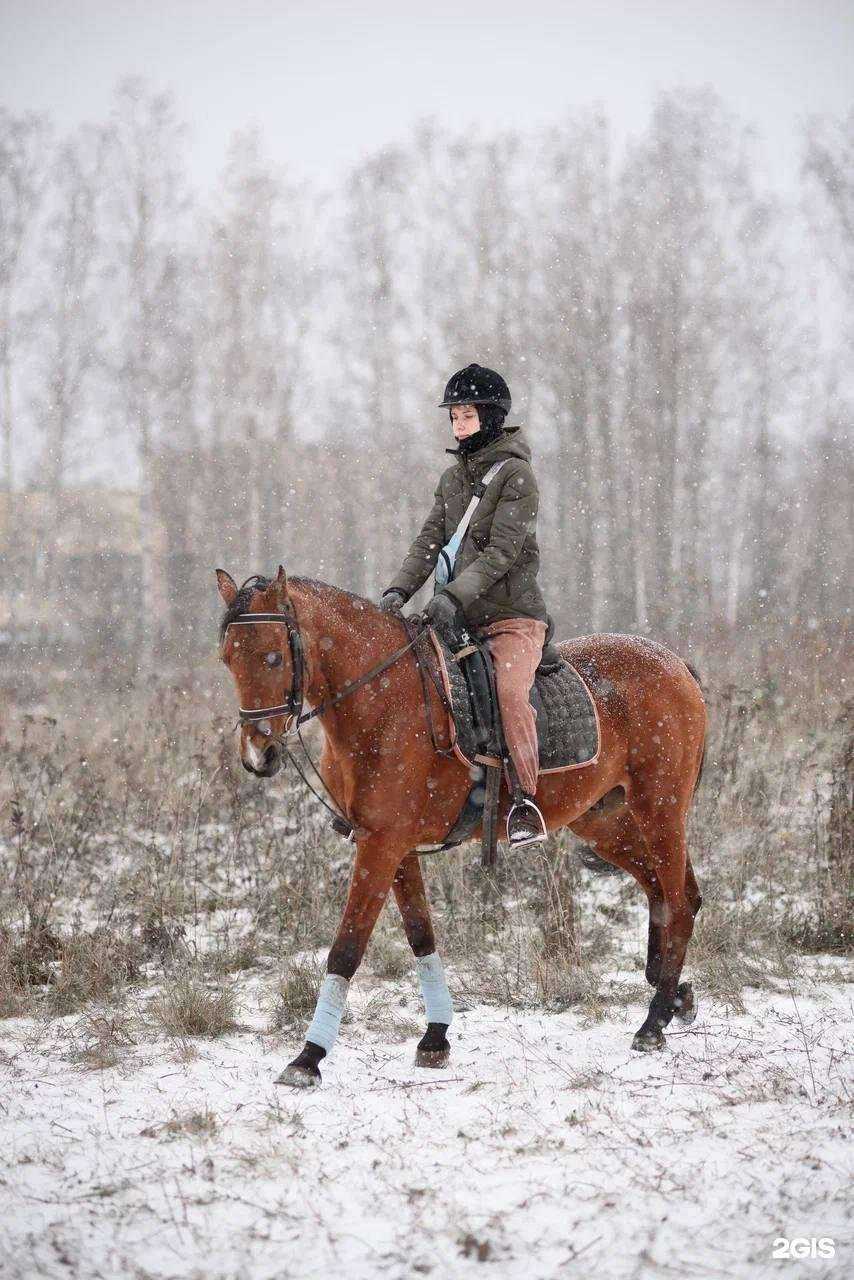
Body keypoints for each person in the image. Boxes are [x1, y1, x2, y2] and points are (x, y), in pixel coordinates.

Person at [379, 362, 552, 847]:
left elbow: (502, 553)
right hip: (453, 620)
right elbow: (428, 542)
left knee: (510, 693)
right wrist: (398, 591)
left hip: (510, 618)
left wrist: (452, 595)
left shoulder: (517, 476)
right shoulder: (450, 480)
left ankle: (524, 800)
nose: (458, 421)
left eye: (467, 413)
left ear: (492, 417)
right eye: (453, 414)